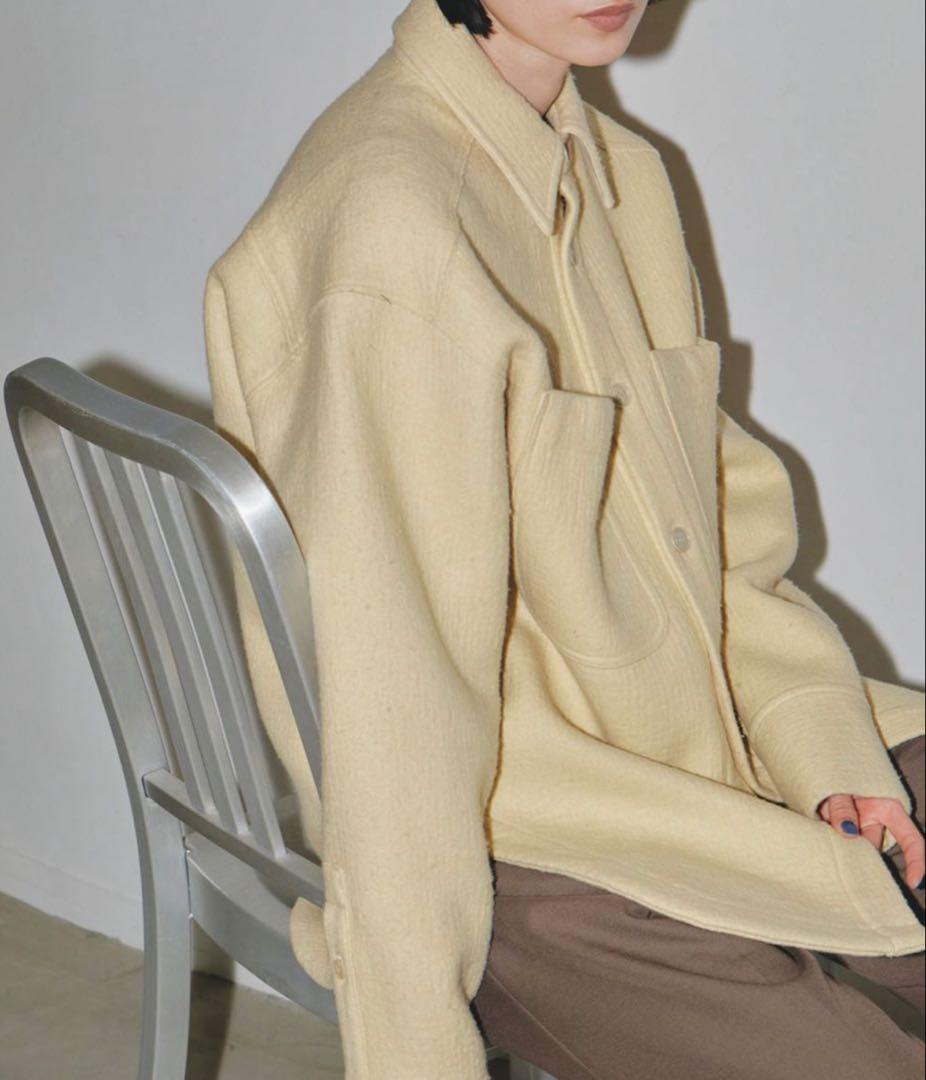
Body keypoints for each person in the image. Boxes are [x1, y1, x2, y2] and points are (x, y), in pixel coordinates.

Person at [202, 1, 925, 1076]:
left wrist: (822, 749)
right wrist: (414, 1042)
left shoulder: (619, 171)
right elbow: (393, 692)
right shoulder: (391, 225)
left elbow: (717, 538)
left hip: (708, 734)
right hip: (529, 836)